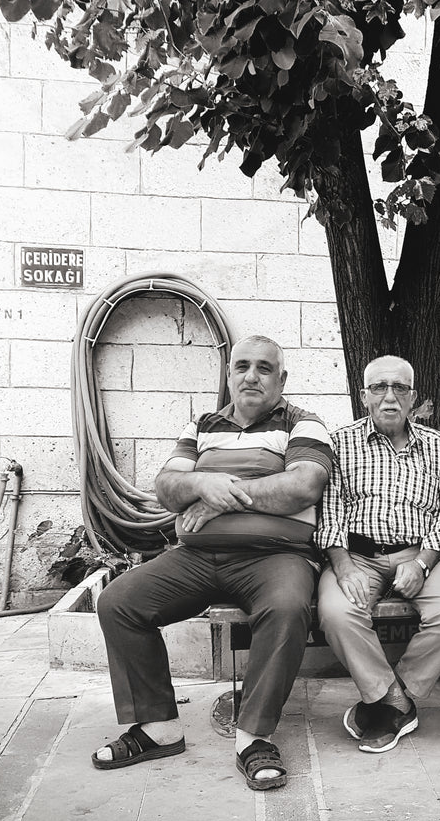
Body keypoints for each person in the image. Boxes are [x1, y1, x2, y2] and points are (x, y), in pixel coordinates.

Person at [91, 335, 332, 791]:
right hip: (196, 556)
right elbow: (167, 487)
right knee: (119, 602)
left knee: (286, 608)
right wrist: (205, 480)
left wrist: (218, 497)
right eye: (242, 366)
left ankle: (253, 737)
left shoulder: (304, 423)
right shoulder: (202, 425)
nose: (252, 376)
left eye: (265, 368)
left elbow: (302, 487)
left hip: (275, 557)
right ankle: (158, 726)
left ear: (282, 379)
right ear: (229, 375)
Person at [316, 356, 440, 753]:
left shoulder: (437, 446)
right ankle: (395, 703)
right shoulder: (340, 443)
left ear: (413, 397)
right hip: (358, 557)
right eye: (379, 388)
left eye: (400, 388)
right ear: (364, 395)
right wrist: (343, 564)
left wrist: (422, 564)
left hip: (421, 554)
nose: (390, 397)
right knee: (337, 612)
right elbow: (330, 513)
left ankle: (390, 695)